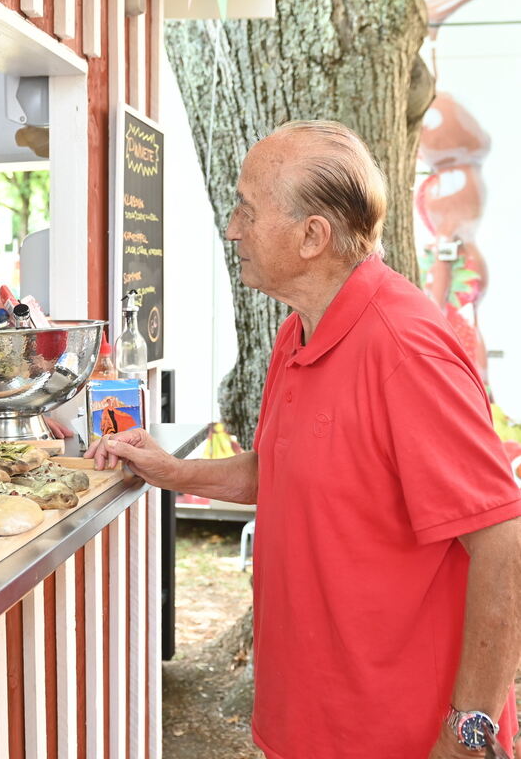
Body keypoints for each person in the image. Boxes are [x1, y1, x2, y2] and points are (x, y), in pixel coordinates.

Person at [87, 121, 521, 758]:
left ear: (313, 236)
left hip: (399, 734)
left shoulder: (405, 349)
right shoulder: (300, 332)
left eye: (247, 210)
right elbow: (278, 473)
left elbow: (503, 541)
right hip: (307, 719)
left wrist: (470, 731)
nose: (232, 228)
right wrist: (169, 471)